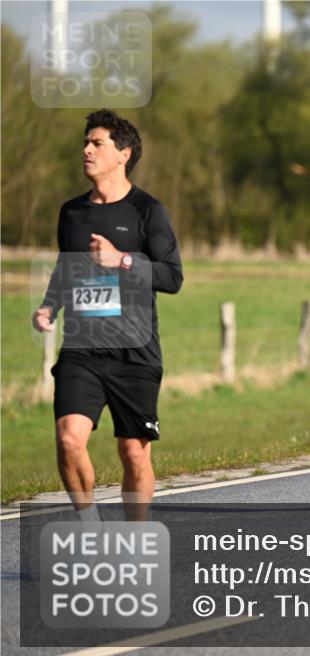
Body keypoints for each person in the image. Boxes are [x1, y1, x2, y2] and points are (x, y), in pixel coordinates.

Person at [32, 109, 183, 520]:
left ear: (123, 154)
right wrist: (50, 304)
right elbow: (67, 268)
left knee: (133, 452)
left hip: (134, 350)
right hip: (82, 348)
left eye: (97, 143)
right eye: (86, 142)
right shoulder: (72, 212)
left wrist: (124, 261)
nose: (86, 150)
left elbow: (172, 277)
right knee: (68, 439)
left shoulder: (148, 211)